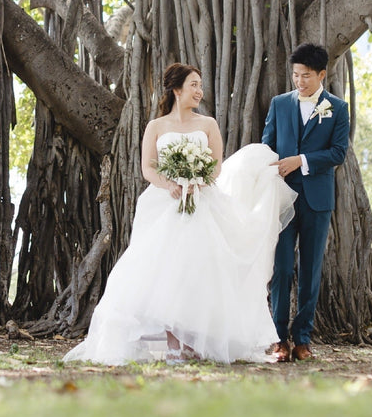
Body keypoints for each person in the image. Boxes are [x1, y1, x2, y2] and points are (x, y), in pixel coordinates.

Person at [63, 63, 297, 365]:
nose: (199, 91)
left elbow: (216, 164)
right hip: (165, 203)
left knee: (201, 270)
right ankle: (172, 341)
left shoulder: (208, 124)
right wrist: (169, 184)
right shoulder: (156, 127)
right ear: (177, 89)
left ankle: (195, 339)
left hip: (203, 202)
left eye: (200, 85)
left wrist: (198, 180)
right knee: (165, 269)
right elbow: (148, 167)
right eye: (194, 85)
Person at [262, 43, 350, 362]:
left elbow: (338, 153)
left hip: (317, 200)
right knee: (282, 268)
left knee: (310, 269)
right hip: (283, 198)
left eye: (307, 76)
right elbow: (267, 146)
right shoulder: (279, 104)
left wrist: (301, 160)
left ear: (322, 74)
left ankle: (302, 339)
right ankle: (278, 339)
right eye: (296, 75)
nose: (300, 81)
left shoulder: (337, 108)